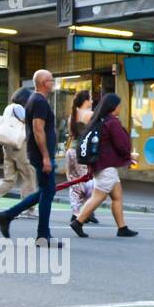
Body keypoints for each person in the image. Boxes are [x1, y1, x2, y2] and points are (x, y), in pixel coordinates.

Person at [0, 71, 60, 246]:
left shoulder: (36, 100)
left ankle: (8, 216)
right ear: (45, 83)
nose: (53, 82)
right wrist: (46, 156)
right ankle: (42, 236)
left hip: (38, 153)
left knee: (47, 190)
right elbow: (38, 129)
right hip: (41, 154)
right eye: (51, 80)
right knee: (47, 192)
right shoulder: (39, 101)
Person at [69, 93, 138, 238]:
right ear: (114, 107)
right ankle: (78, 221)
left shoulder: (100, 120)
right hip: (107, 166)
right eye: (119, 105)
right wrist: (129, 156)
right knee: (98, 196)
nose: (120, 107)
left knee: (117, 196)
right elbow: (121, 144)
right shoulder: (112, 122)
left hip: (101, 164)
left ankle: (122, 227)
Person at [0, 87, 35, 215]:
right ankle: (27, 209)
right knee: (29, 176)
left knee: (9, 179)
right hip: (19, 146)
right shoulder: (19, 108)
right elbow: (28, 121)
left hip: (7, 147)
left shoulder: (8, 108)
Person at [66, 91, 99, 224]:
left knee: (74, 183)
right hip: (82, 152)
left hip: (71, 151)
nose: (92, 101)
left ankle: (76, 211)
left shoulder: (72, 116)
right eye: (90, 99)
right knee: (89, 182)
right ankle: (87, 212)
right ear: (86, 101)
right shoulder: (89, 114)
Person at [64, 121, 95, 219]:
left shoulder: (70, 150)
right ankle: (88, 213)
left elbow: (68, 168)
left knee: (74, 194)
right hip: (88, 177)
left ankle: (76, 213)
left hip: (75, 178)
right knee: (90, 194)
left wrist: (69, 178)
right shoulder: (87, 148)